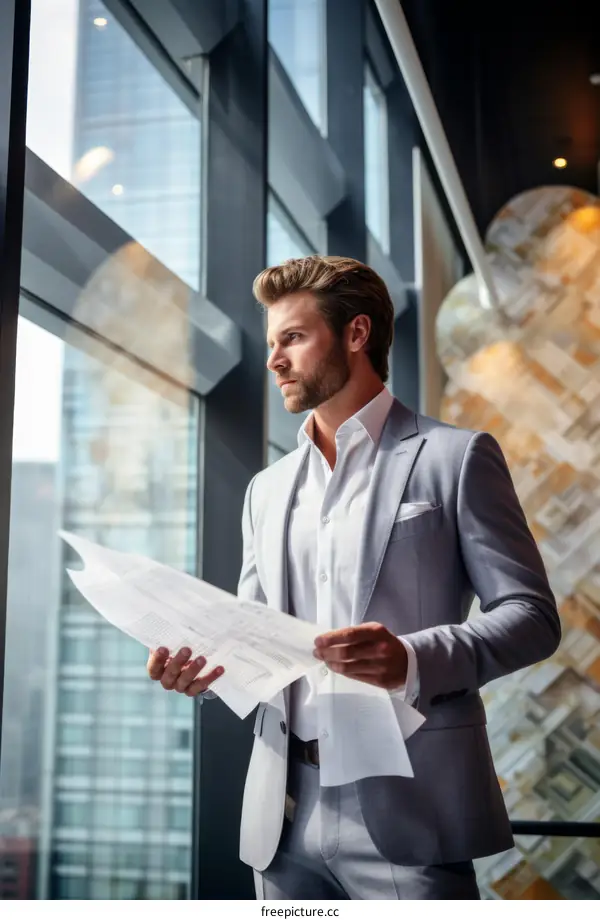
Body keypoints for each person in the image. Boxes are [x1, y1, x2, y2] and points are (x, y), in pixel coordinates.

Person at [147, 255, 561, 900]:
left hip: (411, 808)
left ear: (356, 333)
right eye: (272, 342)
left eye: (292, 337)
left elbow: (532, 617)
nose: (273, 360)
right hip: (283, 818)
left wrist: (411, 659)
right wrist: (204, 672)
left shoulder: (455, 457)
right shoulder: (266, 489)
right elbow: (255, 638)